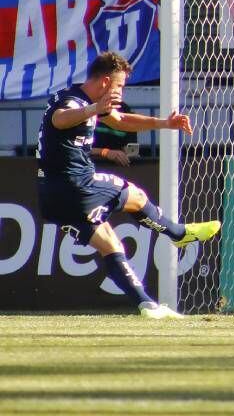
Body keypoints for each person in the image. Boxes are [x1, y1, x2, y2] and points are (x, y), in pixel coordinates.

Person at [36, 52, 221, 319]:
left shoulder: (86, 99)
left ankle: (147, 305)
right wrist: (93, 111)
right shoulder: (72, 101)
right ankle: (178, 233)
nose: (121, 92)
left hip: (52, 197)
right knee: (133, 194)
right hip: (78, 186)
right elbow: (59, 119)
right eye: (120, 86)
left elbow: (121, 121)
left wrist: (165, 123)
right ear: (105, 82)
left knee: (110, 244)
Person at [91, 100, 138, 167]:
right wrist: (106, 152)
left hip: (117, 167)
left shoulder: (126, 110)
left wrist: (129, 154)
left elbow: (132, 151)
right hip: (90, 165)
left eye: (120, 89)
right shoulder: (88, 109)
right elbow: (79, 149)